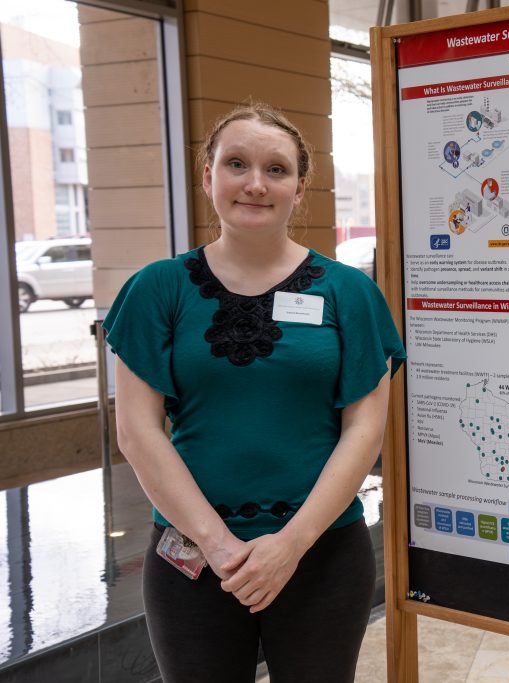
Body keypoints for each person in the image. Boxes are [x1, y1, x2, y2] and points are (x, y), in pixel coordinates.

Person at [104, 102, 405, 682]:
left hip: (321, 552)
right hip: (192, 557)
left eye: (276, 169)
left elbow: (364, 431)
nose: (255, 184)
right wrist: (219, 547)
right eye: (236, 164)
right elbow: (137, 430)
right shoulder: (157, 290)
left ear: (299, 188)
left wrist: (290, 545)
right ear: (207, 177)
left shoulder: (349, 293)